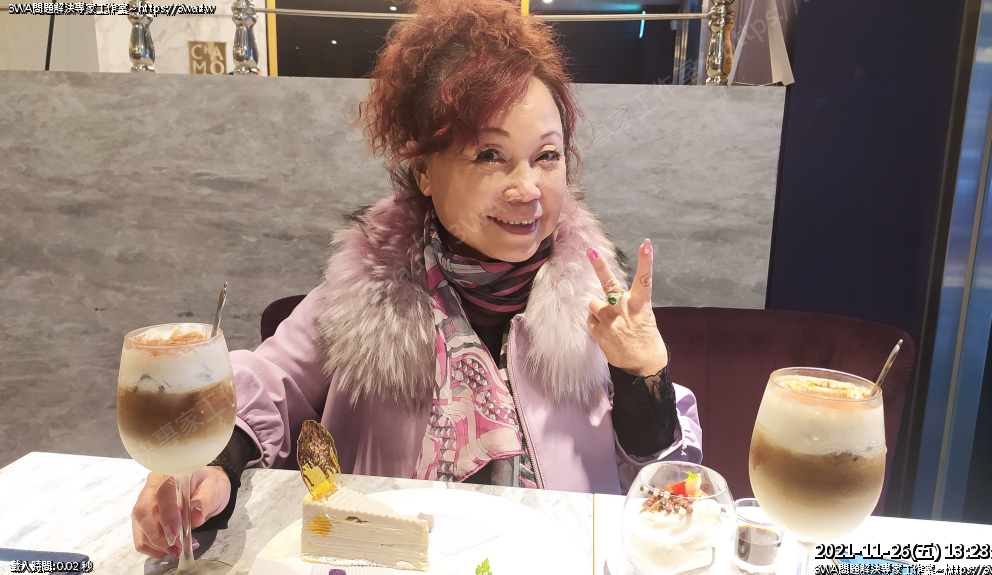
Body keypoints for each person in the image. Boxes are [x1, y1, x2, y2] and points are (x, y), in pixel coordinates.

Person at [130, 0, 702, 559]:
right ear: (424, 170)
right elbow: (268, 383)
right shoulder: (365, 294)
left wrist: (644, 379)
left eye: (547, 156)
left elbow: (668, 494)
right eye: (490, 155)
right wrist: (210, 465)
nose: (527, 188)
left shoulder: (597, 304)